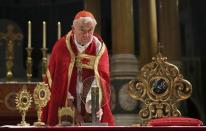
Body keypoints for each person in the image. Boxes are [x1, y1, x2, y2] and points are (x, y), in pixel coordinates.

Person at [41, 10, 114, 126]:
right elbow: (58, 84)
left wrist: (93, 105)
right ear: (73, 29)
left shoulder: (99, 48)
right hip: (66, 107)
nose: (86, 34)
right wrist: (73, 110)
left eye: (90, 30)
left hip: (90, 107)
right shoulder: (61, 47)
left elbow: (100, 81)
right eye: (82, 30)